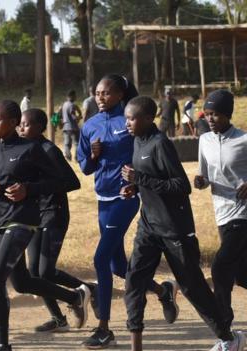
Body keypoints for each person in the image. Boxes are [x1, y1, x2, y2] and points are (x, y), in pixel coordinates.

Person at [121, 95, 244, 351]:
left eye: (131, 119)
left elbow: (180, 186)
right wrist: (134, 186)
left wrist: (141, 178)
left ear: (147, 119)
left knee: (193, 286)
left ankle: (228, 337)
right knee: (133, 281)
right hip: (148, 225)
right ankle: (136, 346)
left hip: (175, 228)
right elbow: (150, 180)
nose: (127, 124)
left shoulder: (160, 143)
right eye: (126, 119)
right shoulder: (137, 141)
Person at [77, 75, 178, 349]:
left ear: (120, 95)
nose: (100, 97)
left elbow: (148, 153)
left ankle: (104, 329)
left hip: (126, 197)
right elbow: (85, 167)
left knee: (100, 259)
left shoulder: (131, 119)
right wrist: (94, 156)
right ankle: (163, 291)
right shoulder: (90, 125)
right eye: (97, 93)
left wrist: (137, 182)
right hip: (103, 198)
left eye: (107, 93)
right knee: (117, 266)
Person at [0, 100, 91, 351]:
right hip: (0, 219)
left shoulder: (33, 149)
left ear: (11, 122)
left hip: (24, 220)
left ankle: (2, 345)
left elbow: (62, 180)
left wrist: (29, 189)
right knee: (21, 282)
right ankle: (74, 296)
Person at [19, 108, 97, 333]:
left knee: (46, 271)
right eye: (20, 124)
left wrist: (36, 188)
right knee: (34, 273)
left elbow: (72, 182)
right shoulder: (26, 150)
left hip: (54, 213)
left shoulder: (49, 150)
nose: (21, 128)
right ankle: (59, 319)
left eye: (26, 124)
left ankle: (87, 289)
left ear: (40, 128)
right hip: (34, 216)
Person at [195, 89, 247, 350]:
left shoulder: (244, 140)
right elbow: (204, 176)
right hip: (221, 212)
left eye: (215, 114)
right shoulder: (204, 139)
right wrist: (200, 181)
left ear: (227, 114)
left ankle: (227, 335)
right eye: (208, 114)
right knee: (242, 275)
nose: (211, 118)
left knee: (220, 268)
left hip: (244, 213)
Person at [61, 89, 82, 161]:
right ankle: (76, 158)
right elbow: (73, 117)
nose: (76, 97)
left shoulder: (64, 104)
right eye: (75, 96)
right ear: (72, 96)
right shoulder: (72, 105)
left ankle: (68, 157)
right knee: (76, 143)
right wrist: (79, 117)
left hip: (65, 127)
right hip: (73, 127)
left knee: (67, 143)